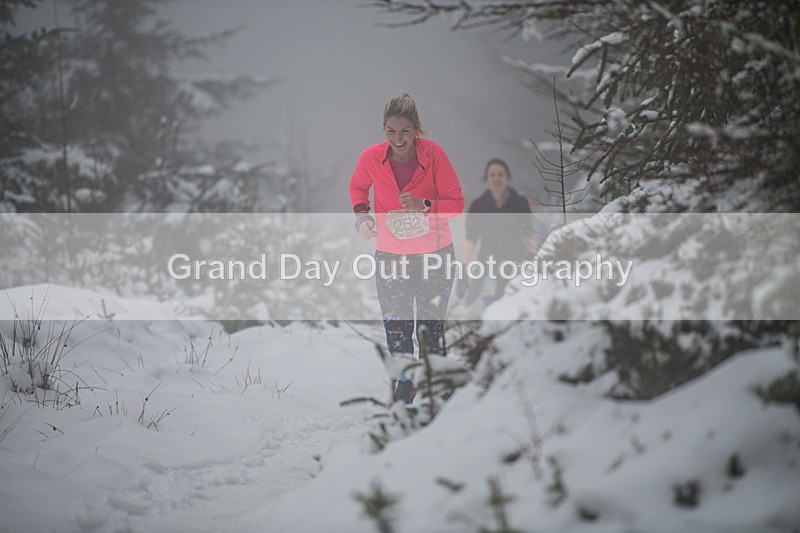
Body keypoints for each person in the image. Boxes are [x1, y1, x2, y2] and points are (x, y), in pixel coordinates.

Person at [349, 91, 464, 404]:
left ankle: (434, 393)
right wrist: (363, 217)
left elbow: (456, 204)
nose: (398, 139)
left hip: (435, 255)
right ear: (383, 129)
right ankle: (404, 387)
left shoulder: (434, 155)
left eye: (404, 131)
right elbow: (358, 187)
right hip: (390, 255)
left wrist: (424, 205)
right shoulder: (371, 158)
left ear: (417, 129)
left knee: (430, 331)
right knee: (397, 328)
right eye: (391, 131)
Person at [459, 158, 549, 308]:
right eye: (492, 175)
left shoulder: (519, 203)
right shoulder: (478, 205)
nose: (496, 179)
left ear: (507, 178)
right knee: (475, 305)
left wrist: (533, 258)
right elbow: (471, 239)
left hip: (514, 261)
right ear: (486, 178)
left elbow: (527, 233)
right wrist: (463, 268)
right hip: (486, 262)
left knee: (510, 303)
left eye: (500, 175)